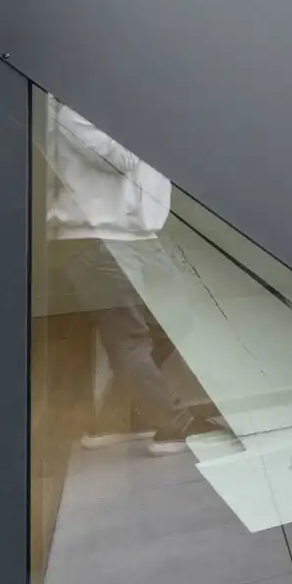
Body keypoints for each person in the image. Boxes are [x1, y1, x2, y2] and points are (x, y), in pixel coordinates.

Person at [45, 103, 198, 455]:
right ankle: (175, 425)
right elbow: (122, 159)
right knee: (128, 338)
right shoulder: (74, 113)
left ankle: (116, 417)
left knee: (176, 319)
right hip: (93, 235)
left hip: (138, 234)